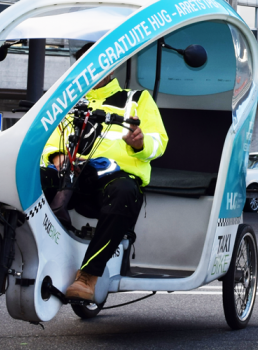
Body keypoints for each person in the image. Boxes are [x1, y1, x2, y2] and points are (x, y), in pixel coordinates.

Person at [47, 47, 169, 302]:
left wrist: (139, 142)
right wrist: (55, 156)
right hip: (71, 177)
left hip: (112, 180)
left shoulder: (136, 98)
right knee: (33, 179)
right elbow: (44, 138)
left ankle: (88, 276)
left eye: (98, 65)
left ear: (111, 67)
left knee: (124, 191)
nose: (92, 71)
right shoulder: (65, 100)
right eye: (85, 64)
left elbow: (160, 141)